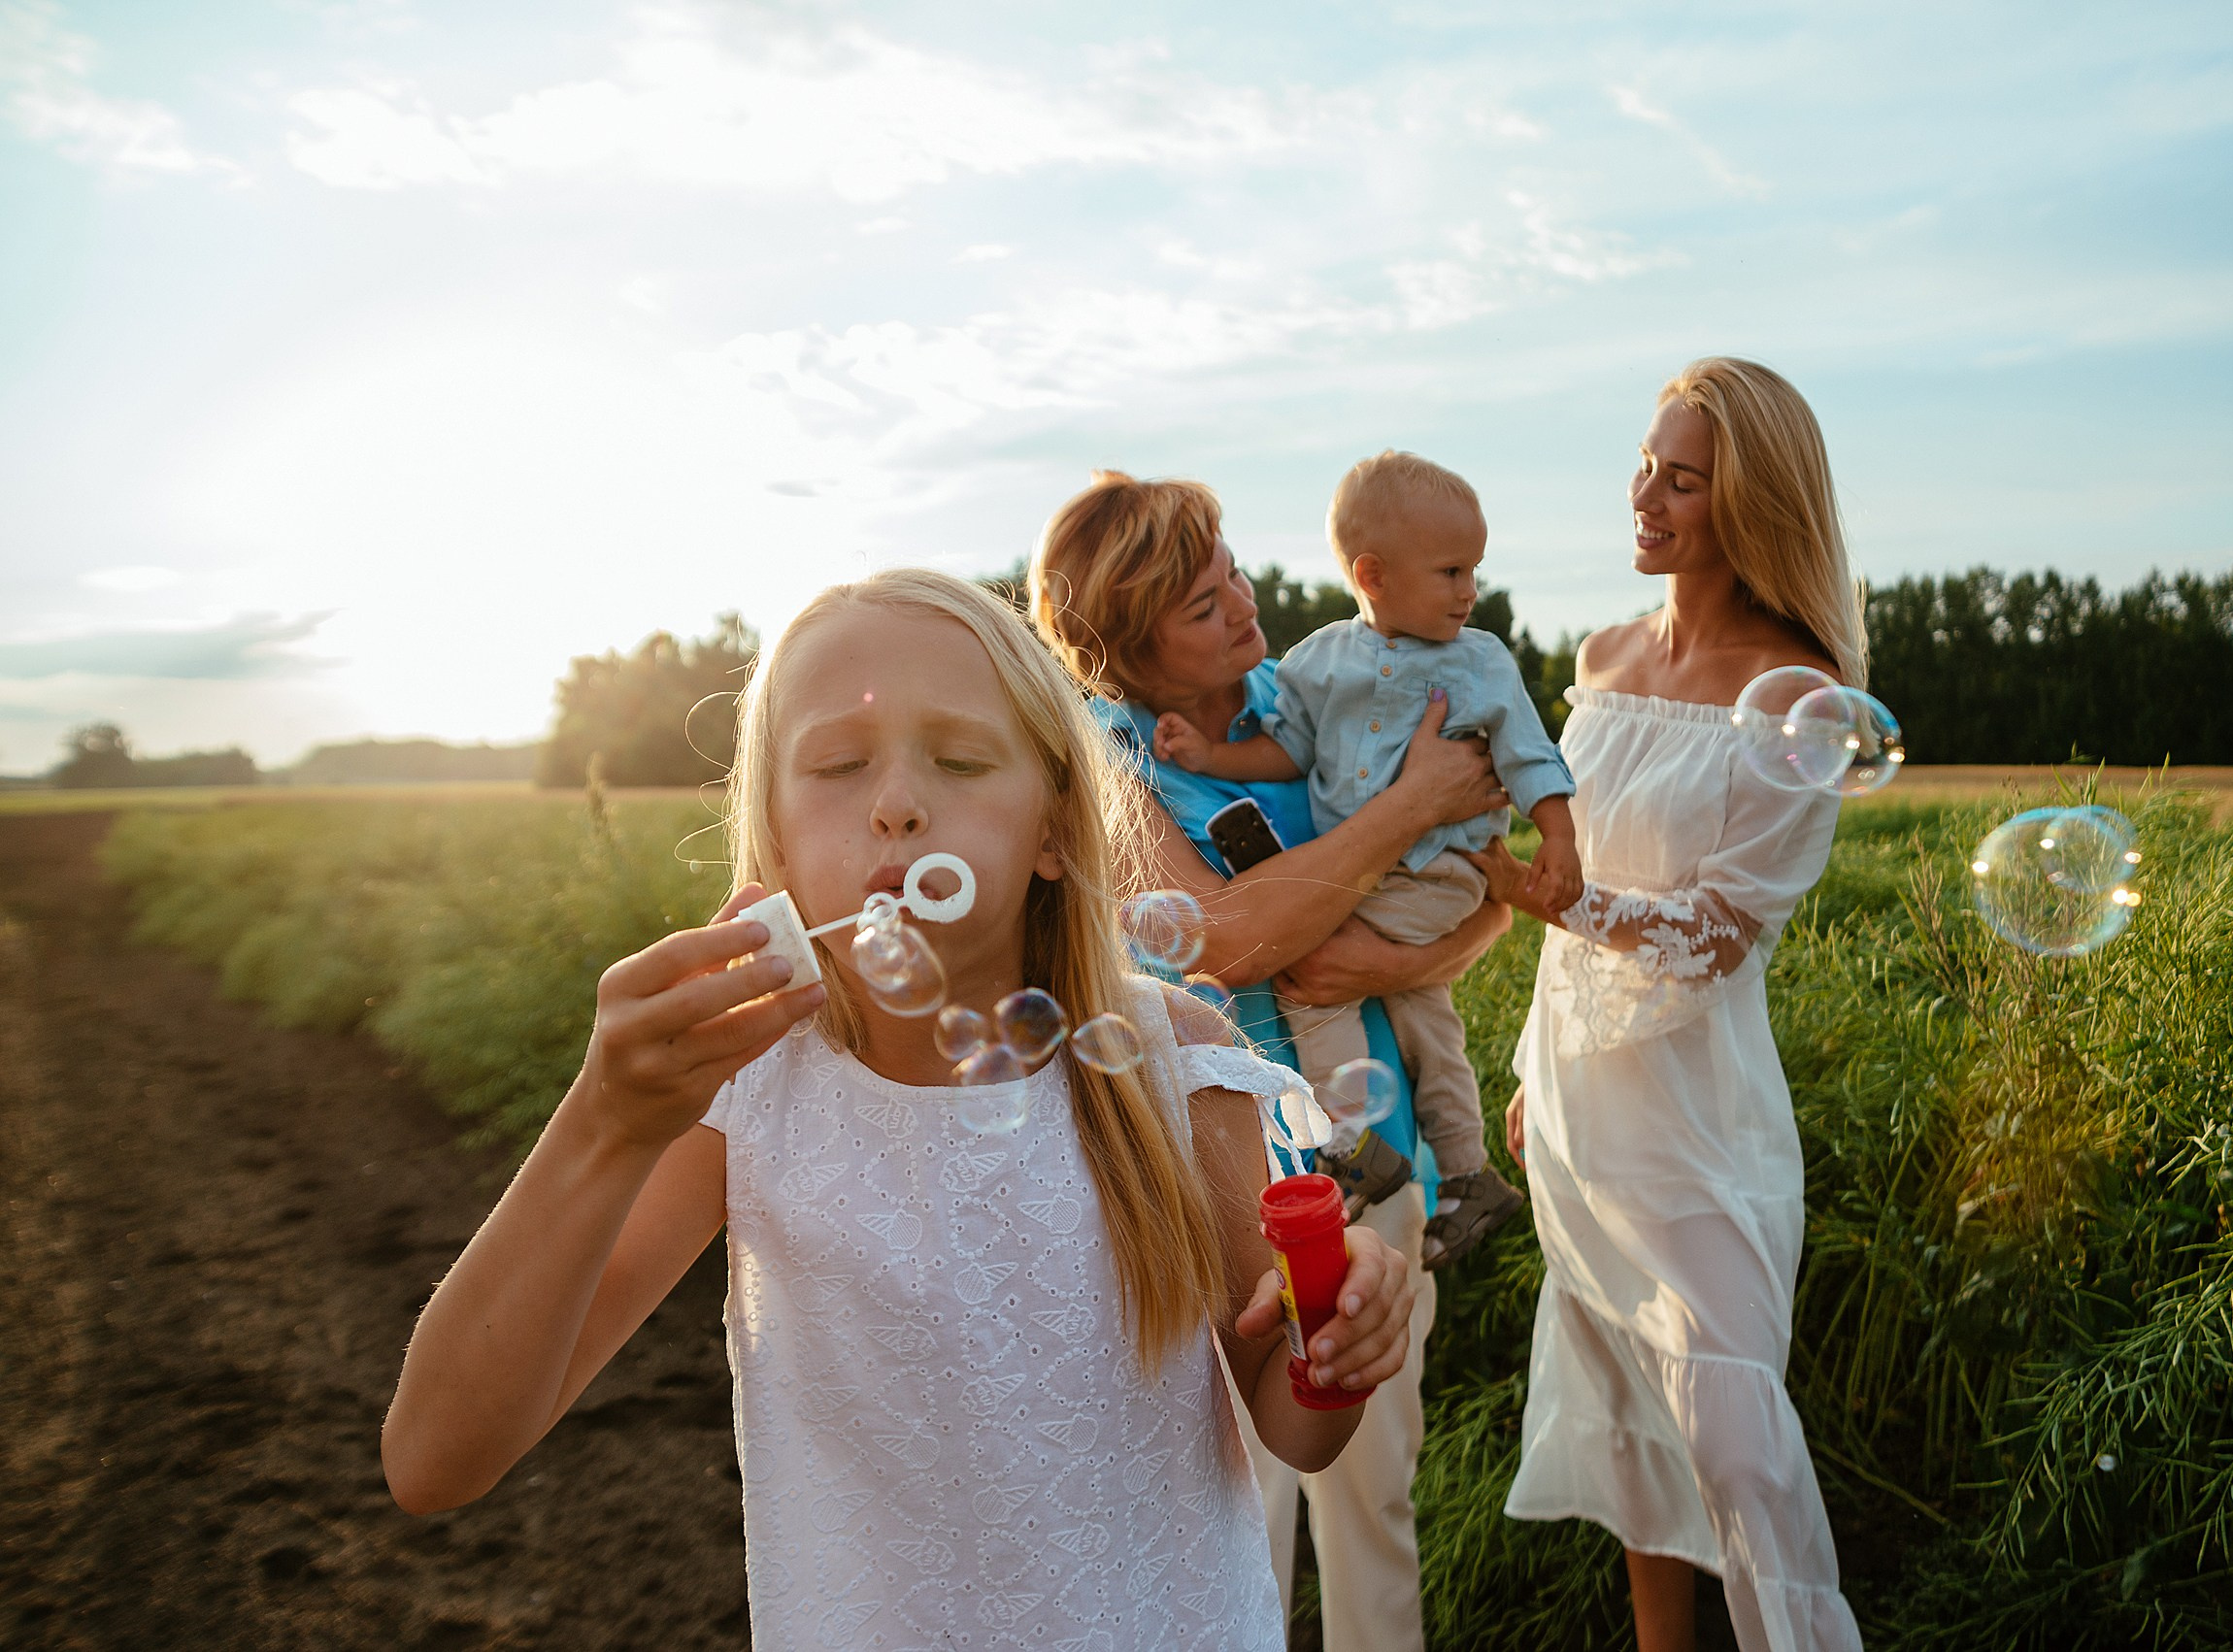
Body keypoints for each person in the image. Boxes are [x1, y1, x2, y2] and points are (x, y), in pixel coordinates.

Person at [380, 569, 1421, 1652]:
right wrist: (605, 1118)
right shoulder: (742, 1090)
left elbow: (1292, 1423)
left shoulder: (1171, 1066)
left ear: (1056, 830)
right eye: (837, 764)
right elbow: (435, 1459)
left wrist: (1334, 1342)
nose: (894, 803)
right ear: (777, 840)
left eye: (961, 760)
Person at [1028, 472, 1512, 1652]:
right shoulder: (1103, 758)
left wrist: (1399, 953)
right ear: (1128, 651)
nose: (1244, 607)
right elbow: (1229, 935)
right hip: (1221, 1171)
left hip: (1375, 1150)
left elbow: (1480, 888)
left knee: (1375, 1491)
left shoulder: (1311, 699)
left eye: (1233, 573)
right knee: (1243, 1497)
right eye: (1202, 605)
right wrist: (1405, 809)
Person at [1482, 358, 1867, 1652]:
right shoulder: (1597, 655)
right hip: (1585, 1105)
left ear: (1748, 503)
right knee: (1632, 1431)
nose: (1645, 495)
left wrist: (1563, 903)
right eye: (1645, 463)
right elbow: (1563, 906)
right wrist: (1535, 1070)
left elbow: (1712, 936)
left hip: (1697, 1117)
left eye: (1681, 478)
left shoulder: (1801, 695)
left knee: (1737, 1448)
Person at [1151, 449, 1579, 1270]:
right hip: (1386, 890)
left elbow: (1526, 755)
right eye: (1451, 570)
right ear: (1373, 574)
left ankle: (1354, 1146)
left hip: (1438, 874)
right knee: (1428, 1024)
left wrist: (1556, 835)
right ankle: (1465, 1170)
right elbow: (1290, 758)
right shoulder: (1315, 666)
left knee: (1311, 971)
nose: (1469, 591)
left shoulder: (1480, 662)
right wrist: (1208, 754)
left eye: (1472, 571)